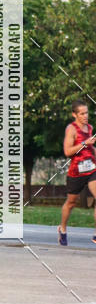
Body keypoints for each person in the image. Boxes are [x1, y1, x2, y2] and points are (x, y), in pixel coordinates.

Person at [57, 99, 96, 246]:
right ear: (74, 114)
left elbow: (89, 150)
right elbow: (68, 152)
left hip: (92, 169)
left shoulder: (90, 128)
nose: (85, 116)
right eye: (82, 113)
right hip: (76, 172)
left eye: (87, 113)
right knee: (71, 203)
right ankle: (63, 229)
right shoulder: (71, 129)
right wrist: (85, 143)